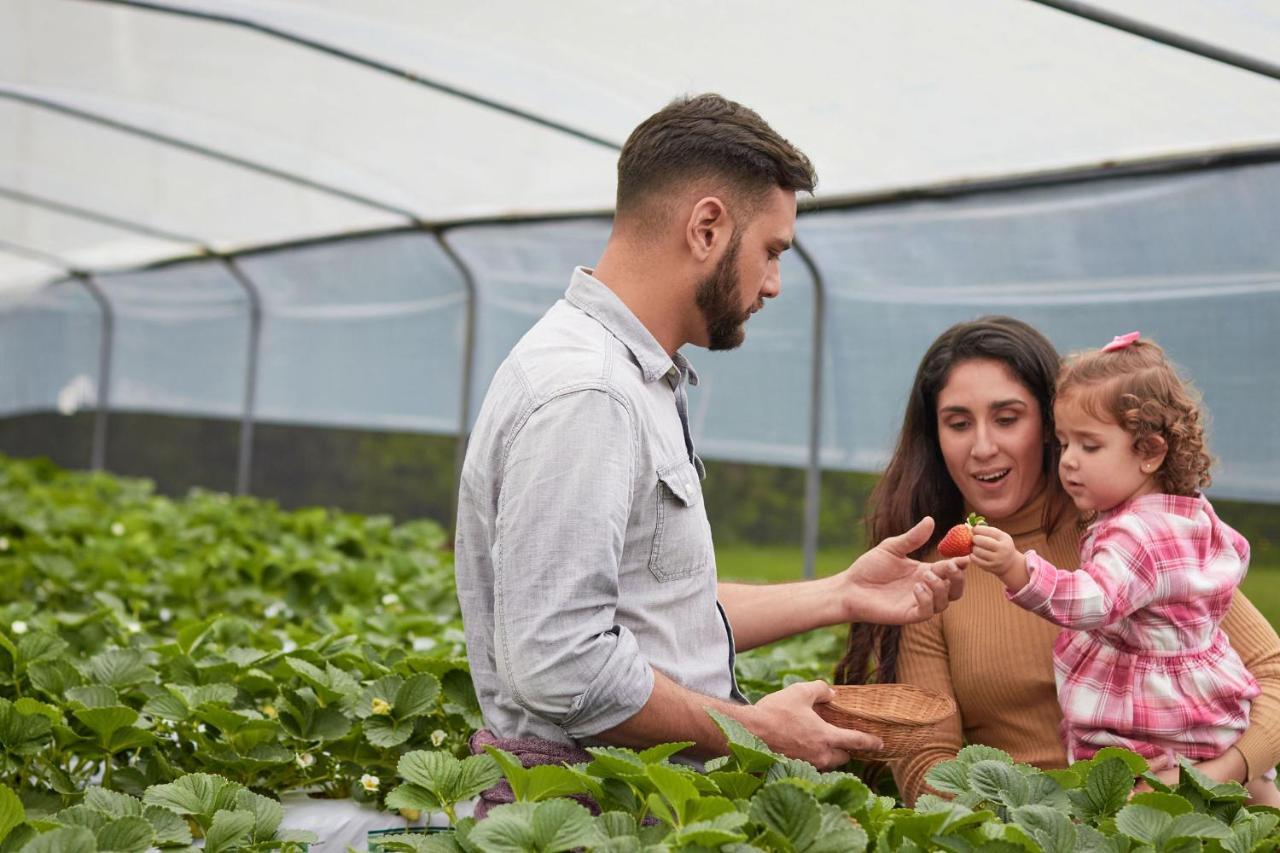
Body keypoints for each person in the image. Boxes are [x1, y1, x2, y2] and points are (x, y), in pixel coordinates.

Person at [454, 94, 966, 779]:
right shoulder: (590, 392)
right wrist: (755, 730)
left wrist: (841, 593)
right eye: (772, 251)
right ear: (706, 229)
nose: (776, 284)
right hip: (601, 812)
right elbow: (563, 664)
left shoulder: (635, 378)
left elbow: (657, 610)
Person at [835, 317, 1280, 806]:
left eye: (1007, 419)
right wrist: (1049, 824)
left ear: (1048, 425)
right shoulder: (936, 576)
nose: (983, 447)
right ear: (935, 438)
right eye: (958, 423)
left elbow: (1272, 672)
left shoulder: (1134, 540)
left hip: (1182, 810)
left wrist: (1214, 776)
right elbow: (928, 764)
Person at [969, 333, 1278, 805]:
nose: (1068, 461)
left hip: (1155, 725)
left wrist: (1018, 569)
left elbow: (1093, 601)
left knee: (1125, 801)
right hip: (1207, 714)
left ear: (1150, 451)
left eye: (1090, 446)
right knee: (1253, 802)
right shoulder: (1188, 514)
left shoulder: (1136, 534)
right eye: (1064, 442)